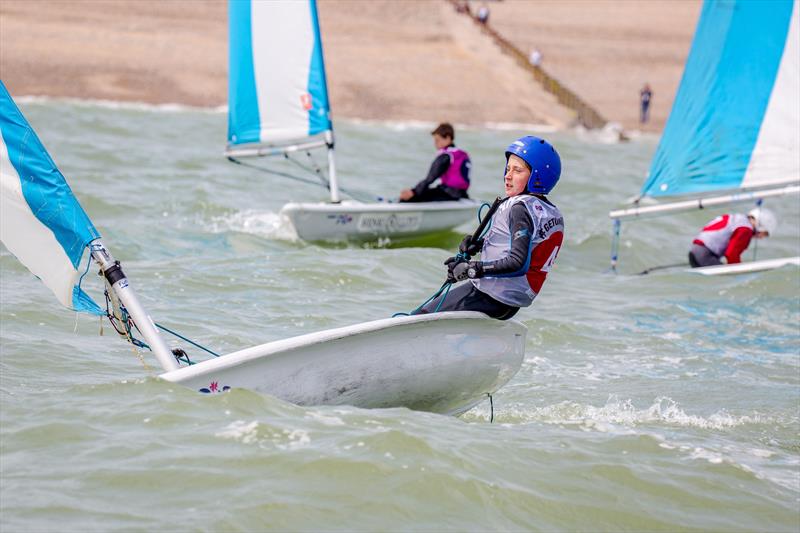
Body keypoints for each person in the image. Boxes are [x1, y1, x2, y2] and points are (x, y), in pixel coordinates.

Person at [415, 136, 564, 320]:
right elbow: (525, 246)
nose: (508, 176)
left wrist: (471, 268)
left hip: (490, 296)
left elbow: (518, 262)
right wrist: (480, 244)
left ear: (538, 177)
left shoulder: (520, 208)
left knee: (420, 317)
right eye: (508, 168)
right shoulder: (549, 212)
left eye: (517, 170)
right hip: (509, 302)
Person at [399, 123, 471, 203]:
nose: (435, 143)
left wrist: (414, 192)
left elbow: (431, 178)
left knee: (410, 198)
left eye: (437, 140)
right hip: (462, 194)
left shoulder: (446, 156)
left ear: (448, 138)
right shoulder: (462, 154)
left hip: (448, 194)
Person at [688, 207, 777, 267]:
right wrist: (739, 272)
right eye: (764, 234)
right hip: (705, 255)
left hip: (694, 252)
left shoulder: (736, 219)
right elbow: (731, 254)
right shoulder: (746, 229)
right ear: (760, 224)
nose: (761, 237)